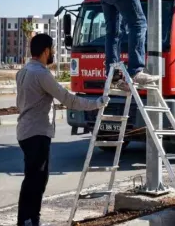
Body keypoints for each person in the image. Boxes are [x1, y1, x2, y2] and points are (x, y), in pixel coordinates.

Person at [15, 33, 109, 226]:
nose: (54, 54)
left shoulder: (23, 72)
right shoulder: (41, 74)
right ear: (46, 51)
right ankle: (29, 220)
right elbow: (68, 99)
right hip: (37, 133)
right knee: (37, 180)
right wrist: (97, 103)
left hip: (25, 131)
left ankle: (28, 219)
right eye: (53, 50)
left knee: (33, 178)